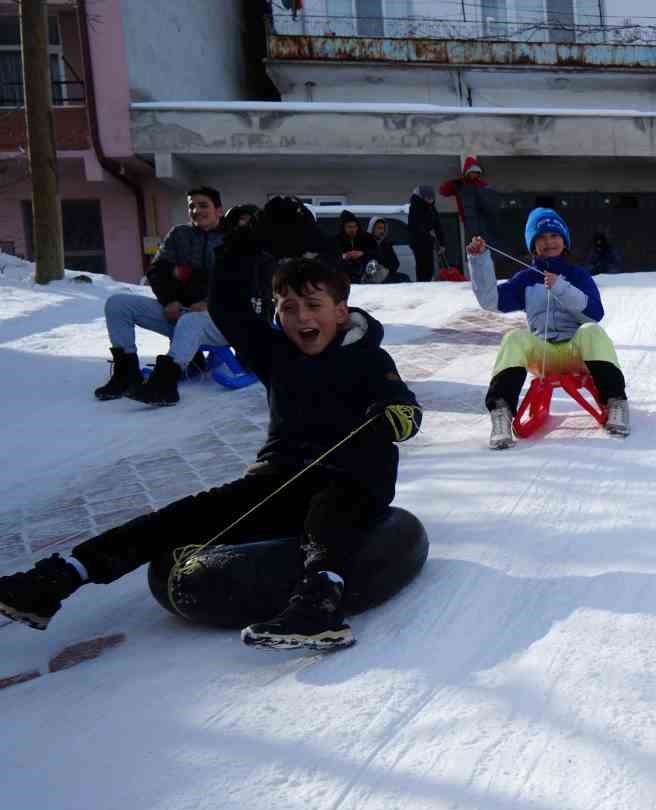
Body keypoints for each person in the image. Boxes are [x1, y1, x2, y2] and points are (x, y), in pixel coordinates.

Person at [0, 255, 422, 650]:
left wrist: (392, 415)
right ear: (277, 313)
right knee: (181, 516)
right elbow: (226, 306)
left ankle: (320, 610)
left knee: (330, 510)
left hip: (352, 479)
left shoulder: (367, 356)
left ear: (340, 312)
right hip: (279, 478)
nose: (303, 318)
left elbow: (405, 408)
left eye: (314, 305)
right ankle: (55, 581)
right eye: (290, 308)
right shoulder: (275, 353)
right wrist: (241, 245)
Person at [468, 207, 631, 447]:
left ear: (564, 241)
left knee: (591, 331)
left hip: (576, 353)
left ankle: (615, 401)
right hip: (543, 356)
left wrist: (560, 288)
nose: (548, 242)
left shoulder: (578, 276)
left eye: (554, 236)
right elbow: (490, 301)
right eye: (541, 238)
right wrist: (480, 261)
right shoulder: (525, 280)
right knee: (514, 337)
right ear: (533, 245)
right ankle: (501, 413)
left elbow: (595, 313)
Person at [94, 185, 230, 406]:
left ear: (219, 210)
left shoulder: (232, 240)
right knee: (118, 304)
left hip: (219, 320)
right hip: (179, 313)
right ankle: (127, 373)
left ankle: (165, 385)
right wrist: (170, 300)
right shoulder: (179, 235)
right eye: (192, 206)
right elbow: (157, 271)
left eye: (203, 205)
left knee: (191, 320)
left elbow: (237, 281)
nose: (196, 211)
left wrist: (209, 302)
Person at [440, 156, 499, 266]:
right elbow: (443, 191)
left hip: (483, 221)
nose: (475, 175)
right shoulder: (459, 185)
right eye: (473, 172)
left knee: (484, 246)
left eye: (477, 172)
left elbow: (490, 200)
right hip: (468, 221)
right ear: (467, 172)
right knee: (471, 246)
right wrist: (454, 181)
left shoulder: (481, 184)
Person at [407, 184, 446, 282]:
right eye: (428, 198)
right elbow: (414, 226)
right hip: (420, 244)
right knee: (423, 269)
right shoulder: (415, 207)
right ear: (422, 197)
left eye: (432, 198)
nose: (431, 200)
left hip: (430, 243)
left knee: (430, 269)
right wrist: (428, 233)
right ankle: (423, 287)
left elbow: (438, 225)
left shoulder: (431, 208)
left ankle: (429, 285)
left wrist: (442, 243)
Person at [335, 210, 378, 283]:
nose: (352, 229)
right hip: (344, 278)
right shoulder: (337, 240)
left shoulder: (367, 238)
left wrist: (362, 253)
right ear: (343, 227)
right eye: (349, 227)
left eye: (354, 226)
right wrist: (344, 256)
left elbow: (377, 253)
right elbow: (330, 256)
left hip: (366, 277)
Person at [365, 218, 409, 284]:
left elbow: (395, 263)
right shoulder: (366, 243)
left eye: (383, 228)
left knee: (405, 278)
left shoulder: (386, 244)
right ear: (372, 229)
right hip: (370, 277)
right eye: (379, 228)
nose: (382, 231)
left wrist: (386, 268)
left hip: (385, 274)